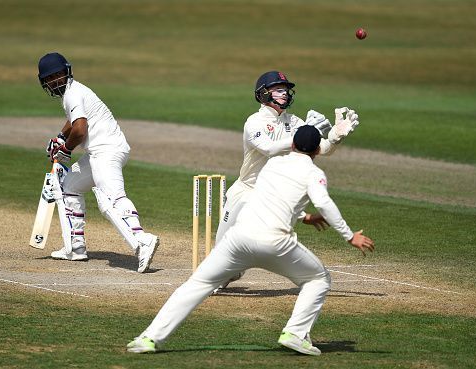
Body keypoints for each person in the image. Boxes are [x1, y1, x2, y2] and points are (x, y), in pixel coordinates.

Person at [127, 125, 374, 355]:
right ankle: (296, 333)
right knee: (318, 279)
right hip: (275, 243)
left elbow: (271, 197)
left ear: (292, 146)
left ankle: (149, 338)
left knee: (197, 284)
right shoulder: (314, 172)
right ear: (318, 150)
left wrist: (304, 216)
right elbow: (324, 203)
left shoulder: (273, 164)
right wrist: (349, 236)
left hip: (238, 239)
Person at [215, 70, 360, 290]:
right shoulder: (254, 122)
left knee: (270, 241)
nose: (284, 94)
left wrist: (334, 138)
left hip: (272, 194)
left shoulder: (294, 121)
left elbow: (319, 149)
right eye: (278, 90)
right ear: (263, 94)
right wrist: (303, 132)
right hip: (246, 191)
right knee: (220, 251)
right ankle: (226, 272)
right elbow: (269, 148)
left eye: (286, 90)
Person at [37, 52, 159, 273]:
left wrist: (65, 150)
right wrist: (61, 137)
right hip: (99, 153)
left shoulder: (73, 93)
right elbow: (74, 122)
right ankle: (75, 248)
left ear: (66, 72)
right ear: (44, 81)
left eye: (57, 75)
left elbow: (80, 130)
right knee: (69, 187)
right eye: (50, 77)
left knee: (111, 199)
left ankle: (143, 240)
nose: (54, 80)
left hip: (106, 151)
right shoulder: (73, 93)